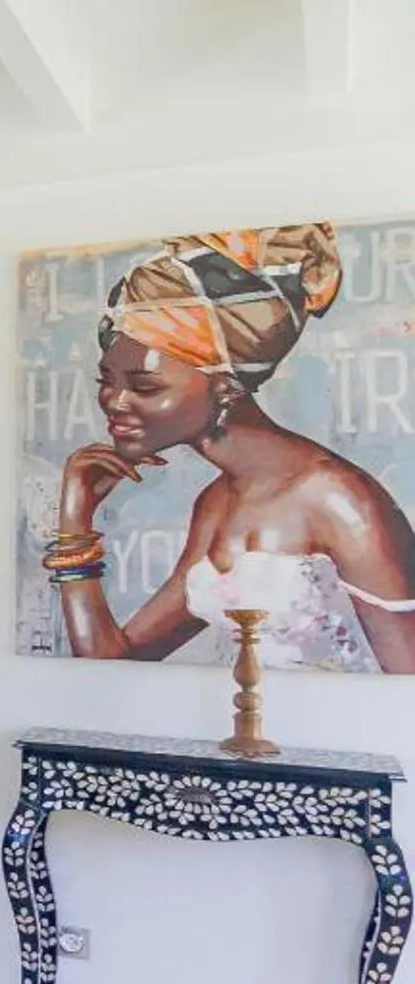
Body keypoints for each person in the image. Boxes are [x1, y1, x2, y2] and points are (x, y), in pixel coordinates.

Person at [52, 224, 415, 672]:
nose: (114, 401)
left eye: (145, 386)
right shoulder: (217, 503)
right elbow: (109, 664)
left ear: (226, 387)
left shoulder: (340, 500)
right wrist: (75, 520)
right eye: (105, 380)